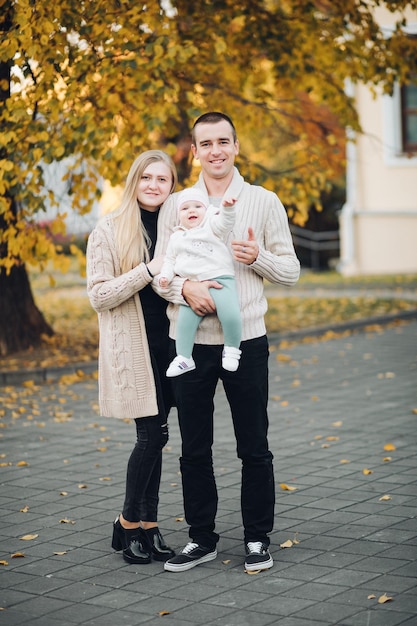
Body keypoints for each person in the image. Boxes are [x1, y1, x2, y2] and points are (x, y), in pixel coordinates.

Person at [153, 112, 300, 573]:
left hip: (247, 340)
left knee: (253, 446)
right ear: (193, 151)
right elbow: (161, 273)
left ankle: (257, 538)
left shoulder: (262, 201)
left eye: (224, 141)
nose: (215, 150)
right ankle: (202, 538)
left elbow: (292, 271)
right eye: (206, 143)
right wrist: (184, 290)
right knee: (194, 448)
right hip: (190, 344)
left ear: (236, 146)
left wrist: (259, 259)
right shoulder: (177, 203)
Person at [86, 150, 178, 565]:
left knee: (159, 436)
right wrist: (147, 269)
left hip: (172, 348)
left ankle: (149, 525)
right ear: (133, 181)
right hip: (135, 348)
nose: (154, 185)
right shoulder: (107, 230)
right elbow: (98, 295)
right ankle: (127, 524)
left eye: (163, 179)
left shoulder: (177, 226)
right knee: (151, 435)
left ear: (172, 186)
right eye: (147, 178)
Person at [158, 187, 242, 377]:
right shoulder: (176, 237)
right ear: (179, 215)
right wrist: (166, 276)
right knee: (184, 324)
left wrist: (227, 209)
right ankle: (184, 358)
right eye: (185, 208)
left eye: (197, 206)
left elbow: (225, 223)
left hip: (220, 279)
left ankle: (231, 350)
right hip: (192, 285)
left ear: (206, 210)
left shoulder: (211, 226)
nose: (192, 211)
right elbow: (170, 260)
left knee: (230, 314)